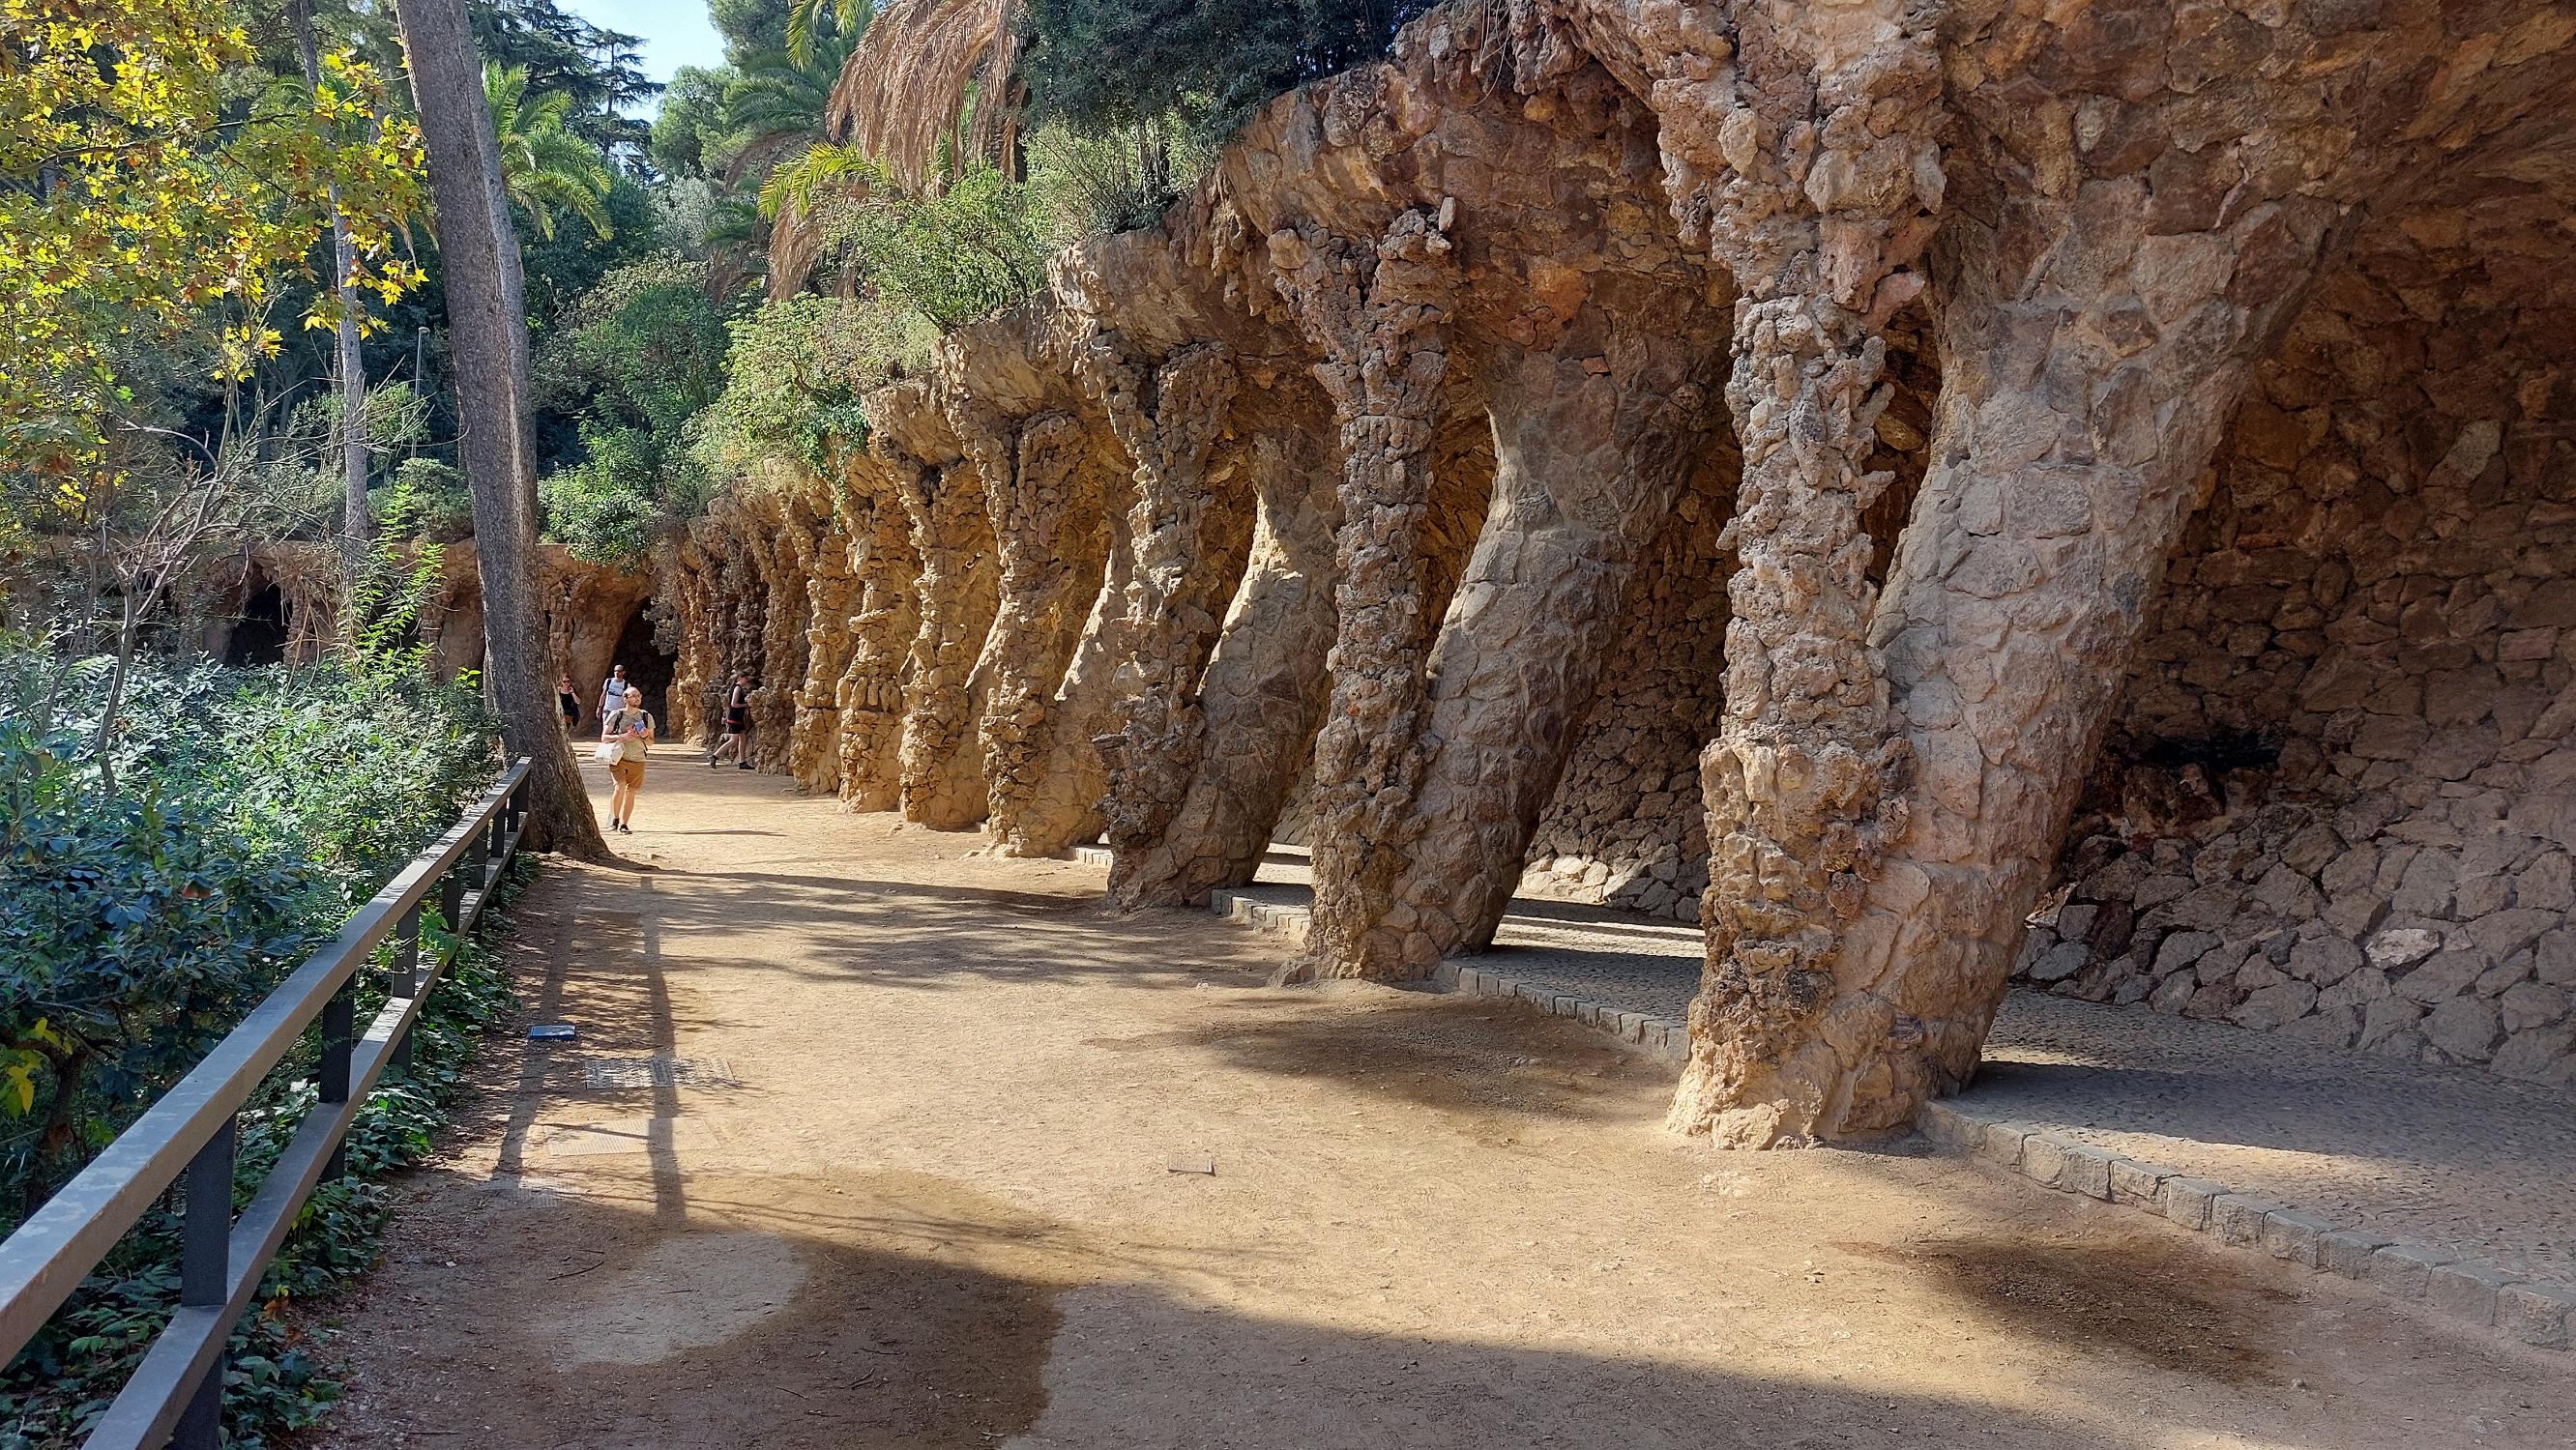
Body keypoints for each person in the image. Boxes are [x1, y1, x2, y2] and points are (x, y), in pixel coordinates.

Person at [601, 685, 655, 833]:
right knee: (620, 786)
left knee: (631, 791)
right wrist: (622, 736)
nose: (637, 698)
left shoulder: (646, 717)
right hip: (619, 757)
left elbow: (651, 742)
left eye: (639, 696)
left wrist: (644, 736)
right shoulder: (616, 715)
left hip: (638, 758)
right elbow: (604, 737)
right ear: (625, 699)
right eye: (634, 696)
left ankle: (624, 824)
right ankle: (614, 819)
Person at [709, 673, 754, 769]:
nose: (747, 680)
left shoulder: (737, 688)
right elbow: (734, 704)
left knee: (743, 738)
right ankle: (714, 756)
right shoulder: (737, 688)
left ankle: (742, 762)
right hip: (735, 718)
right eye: (745, 678)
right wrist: (746, 705)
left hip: (738, 718)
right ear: (739, 678)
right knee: (734, 740)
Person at [597, 664, 628, 728]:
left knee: (616, 729)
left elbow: (627, 700)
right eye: (615, 671)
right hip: (607, 709)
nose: (617, 673)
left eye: (619, 671)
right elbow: (603, 694)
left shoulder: (626, 685)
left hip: (618, 711)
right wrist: (599, 708)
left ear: (623, 672)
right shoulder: (608, 681)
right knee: (605, 728)